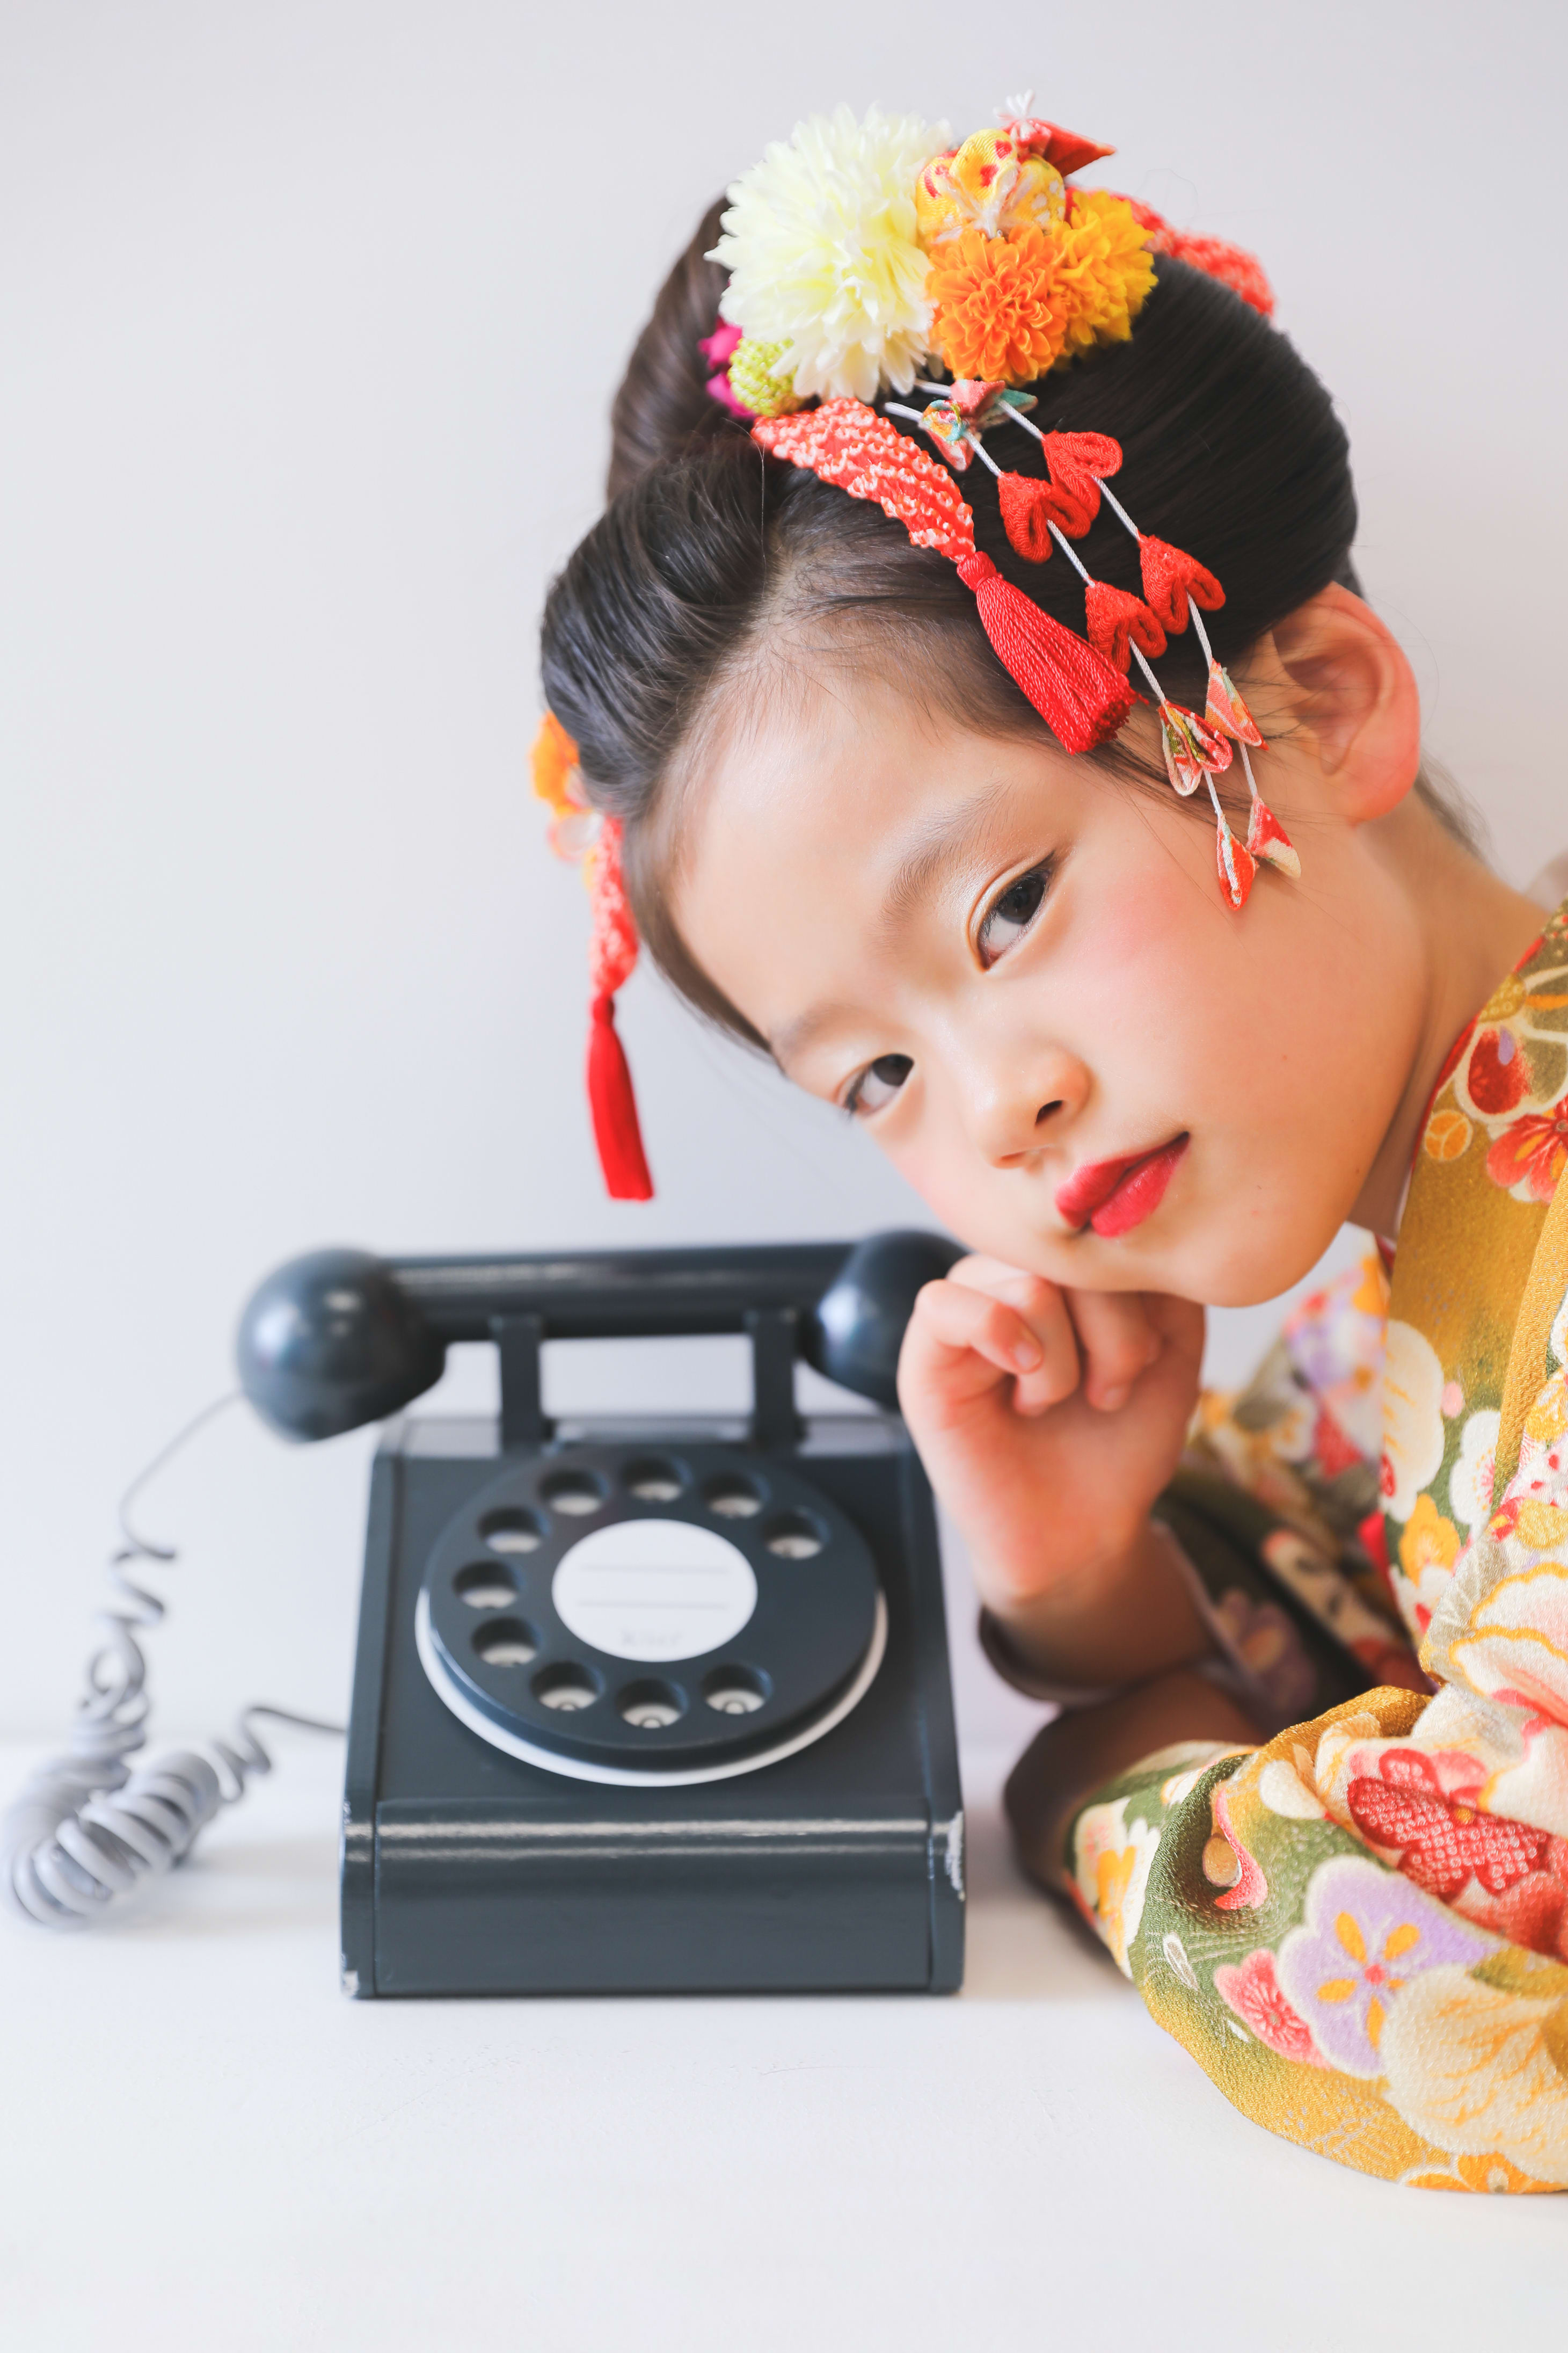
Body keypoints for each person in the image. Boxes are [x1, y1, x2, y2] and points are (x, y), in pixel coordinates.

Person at [534, 99, 1568, 2191]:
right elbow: (1364, 1619)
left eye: (1003, 914)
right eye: (875, 1079)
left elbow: (1466, 1959)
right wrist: (1087, 1578)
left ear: (1315, 700)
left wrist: (1093, 1766)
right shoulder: (1423, 1222)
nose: (991, 1102)